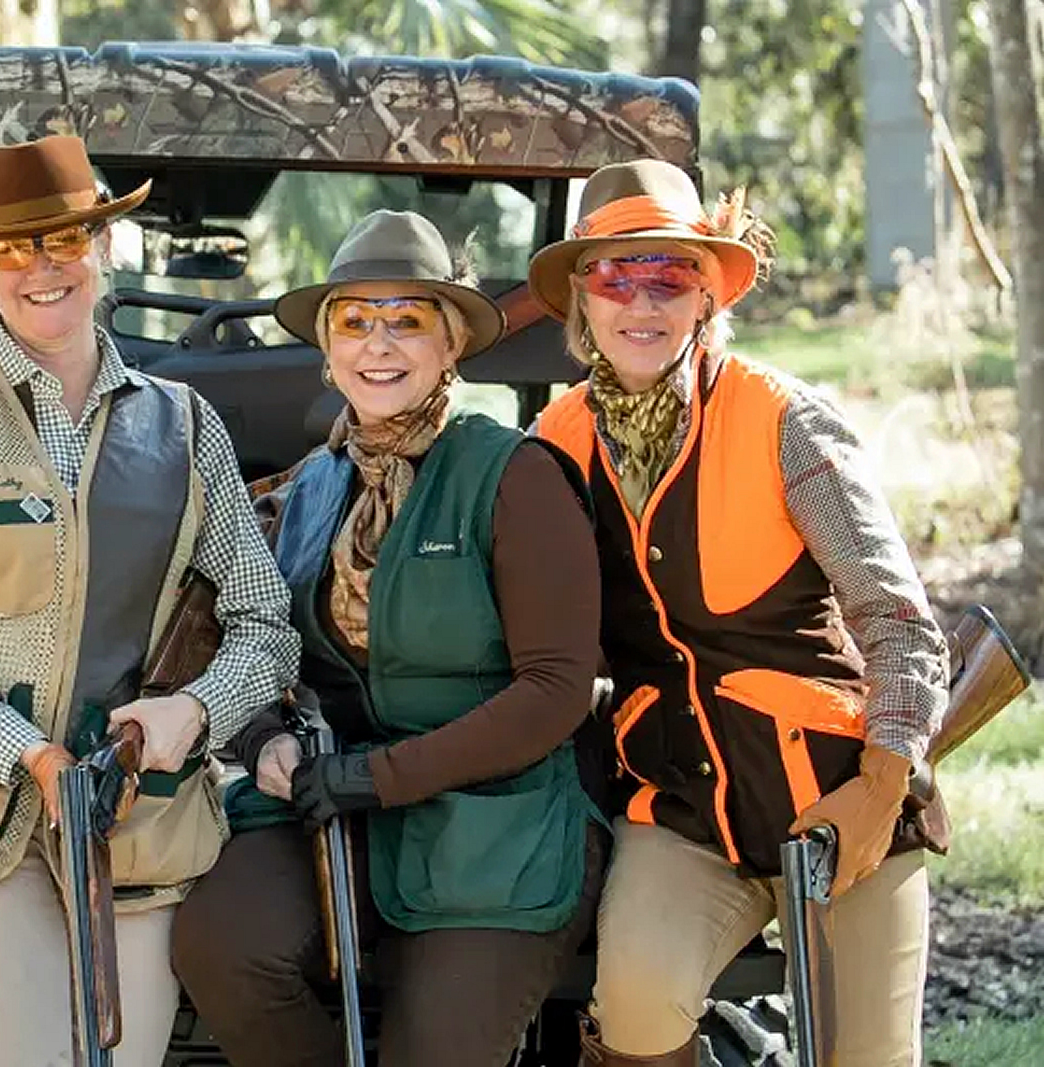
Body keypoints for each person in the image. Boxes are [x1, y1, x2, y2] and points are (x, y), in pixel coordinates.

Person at [0, 134, 298, 1067]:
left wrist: (195, 710)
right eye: (14, 249)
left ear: (102, 248)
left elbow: (264, 625)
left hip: (136, 818)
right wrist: (33, 758)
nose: (43, 268)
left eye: (65, 240)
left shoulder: (185, 423)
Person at [526, 159, 949, 1066]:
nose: (642, 300)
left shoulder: (785, 420)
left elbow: (901, 623)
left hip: (840, 804)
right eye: (614, 274)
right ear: (583, 302)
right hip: (684, 818)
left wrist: (882, 788)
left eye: (669, 274)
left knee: (865, 1054)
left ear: (707, 294)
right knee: (633, 1011)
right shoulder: (551, 445)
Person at [170, 209, 609, 1067]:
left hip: (496, 826)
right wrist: (263, 737)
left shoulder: (515, 475)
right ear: (328, 349)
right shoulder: (307, 488)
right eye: (355, 320)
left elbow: (555, 692)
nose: (379, 342)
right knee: (220, 946)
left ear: (451, 345)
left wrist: (376, 776)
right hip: (330, 807)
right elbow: (251, 646)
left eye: (407, 319)